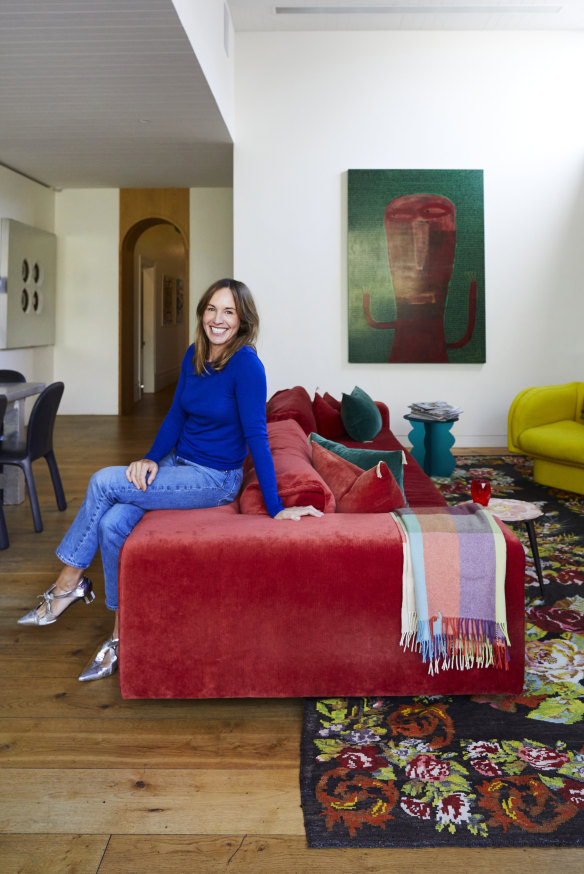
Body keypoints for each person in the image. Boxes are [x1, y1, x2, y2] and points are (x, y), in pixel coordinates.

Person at [17, 279, 323, 681]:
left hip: (215, 477)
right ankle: (120, 633)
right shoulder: (194, 354)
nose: (218, 319)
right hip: (179, 462)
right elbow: (177, 415)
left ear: (243, 321)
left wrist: (278, 507)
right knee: (111, 524)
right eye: (212, 309)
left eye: (229, 312)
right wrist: (150, 458)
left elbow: (257, 436)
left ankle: (67, 585)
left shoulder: (246, 366)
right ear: (202, 313)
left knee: (102, 482)